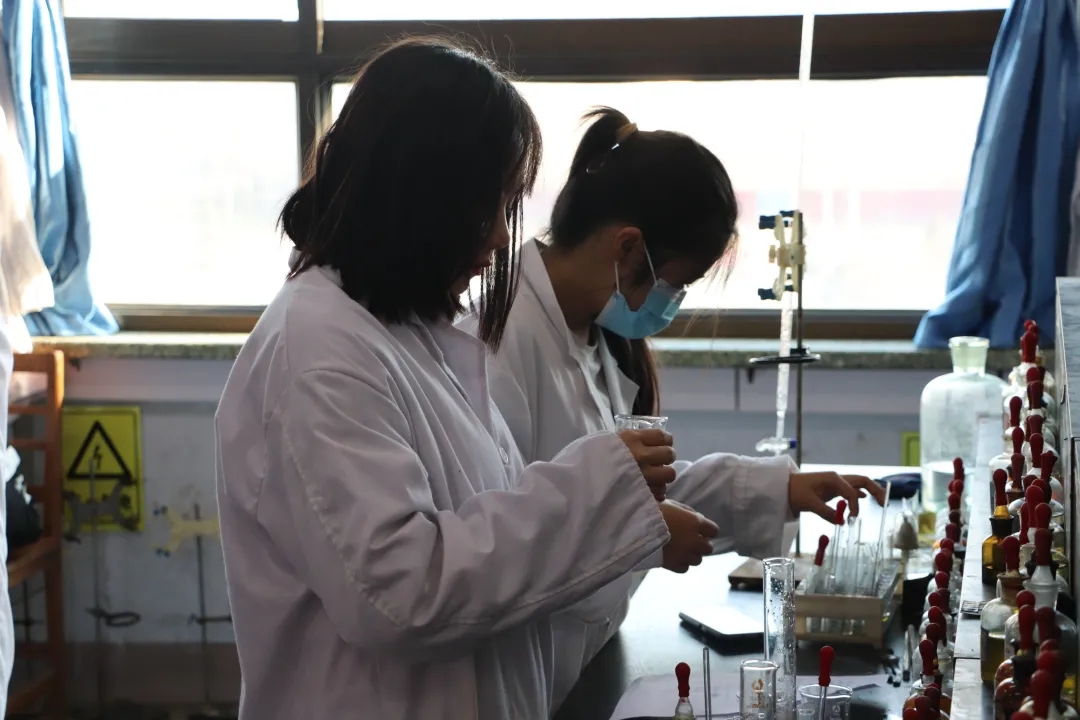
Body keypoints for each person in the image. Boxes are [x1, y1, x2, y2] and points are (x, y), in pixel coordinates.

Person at [213, 39, 698, 720]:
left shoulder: (408, 332)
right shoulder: (317, 353)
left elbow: (486, 533)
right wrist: (593, 495)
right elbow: (400, 595)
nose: (501, 237)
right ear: (419, 195)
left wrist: (604, 504)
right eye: (489, 206)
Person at [463, 107, 887, 709]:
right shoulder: (498, 342)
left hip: (586, 656)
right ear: (627, 246)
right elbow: (509, 540)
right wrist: (639, 535)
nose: (670, 304)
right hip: (530, 675)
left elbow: (634, 489)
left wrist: (780, 489)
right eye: (672, 284)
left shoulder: (588, 332)